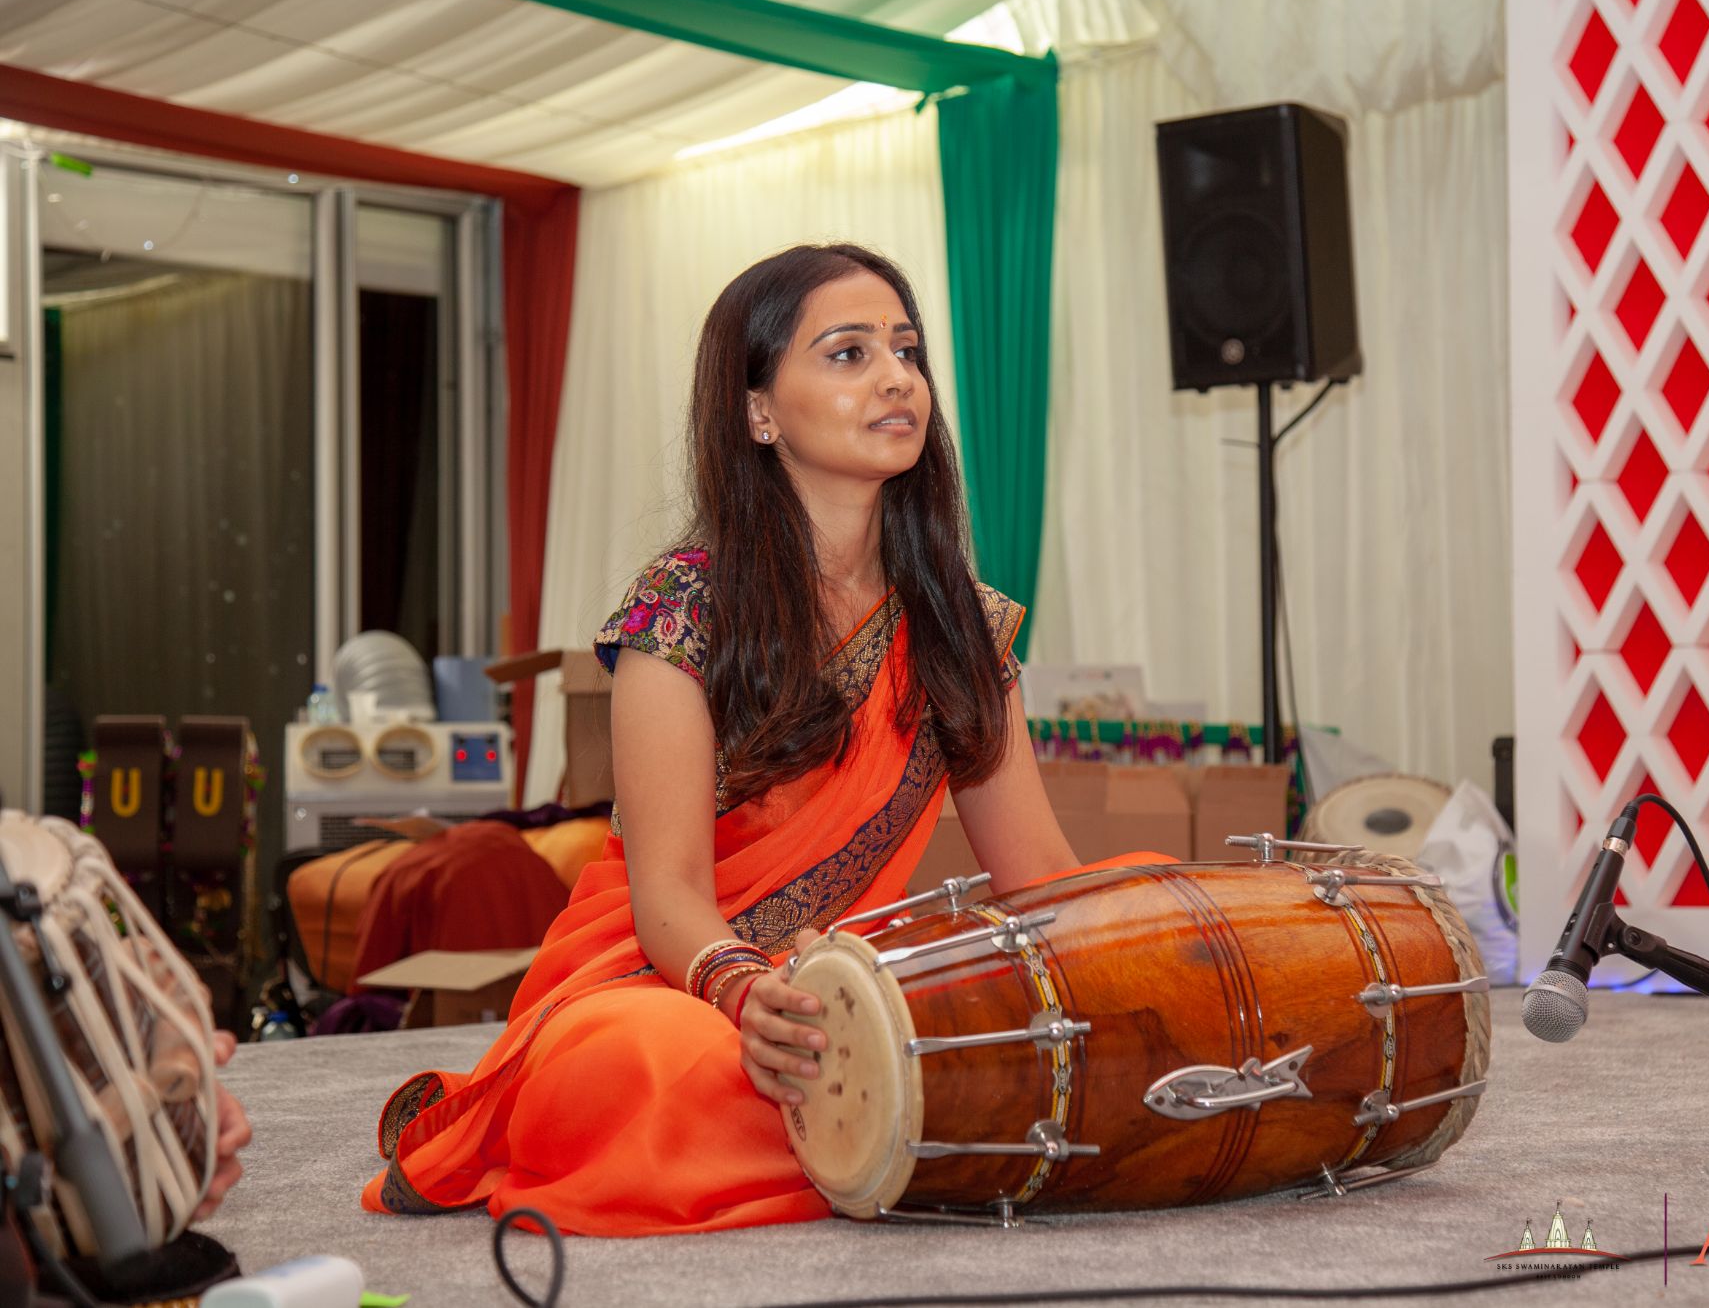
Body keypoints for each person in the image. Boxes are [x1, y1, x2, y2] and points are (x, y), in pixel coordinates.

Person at [362, 244, 1147, 1235]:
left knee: (1139, 914)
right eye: (849, 353)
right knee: (652, 1069)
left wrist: (1145, 954)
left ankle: (897, 1116)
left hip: (835, 992)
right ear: (759, 411)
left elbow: (1038, 875)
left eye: (906, 350)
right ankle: (886, 1125)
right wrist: (746, 994)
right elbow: (667, 899)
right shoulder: (683, 607)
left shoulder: (958, 624)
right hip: (666, 981)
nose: (897, 377)